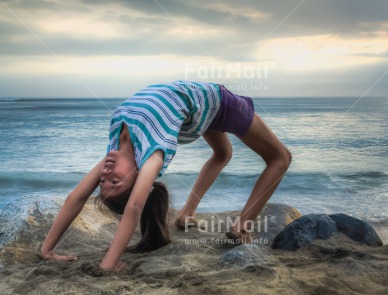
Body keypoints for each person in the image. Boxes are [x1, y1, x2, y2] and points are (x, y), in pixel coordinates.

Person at [40, 80, 291, 271]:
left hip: (198, 106)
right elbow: (135, 207)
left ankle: (187, 214)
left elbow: (76, 197)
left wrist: (47, 249)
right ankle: (242, 226)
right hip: (219, 102)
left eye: (103, 182)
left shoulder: (114, 153)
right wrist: (108, 265)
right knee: (281, 158)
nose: (104, 174)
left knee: (222, 153)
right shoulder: (152, 156)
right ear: (138, 177)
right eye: (114, 181)